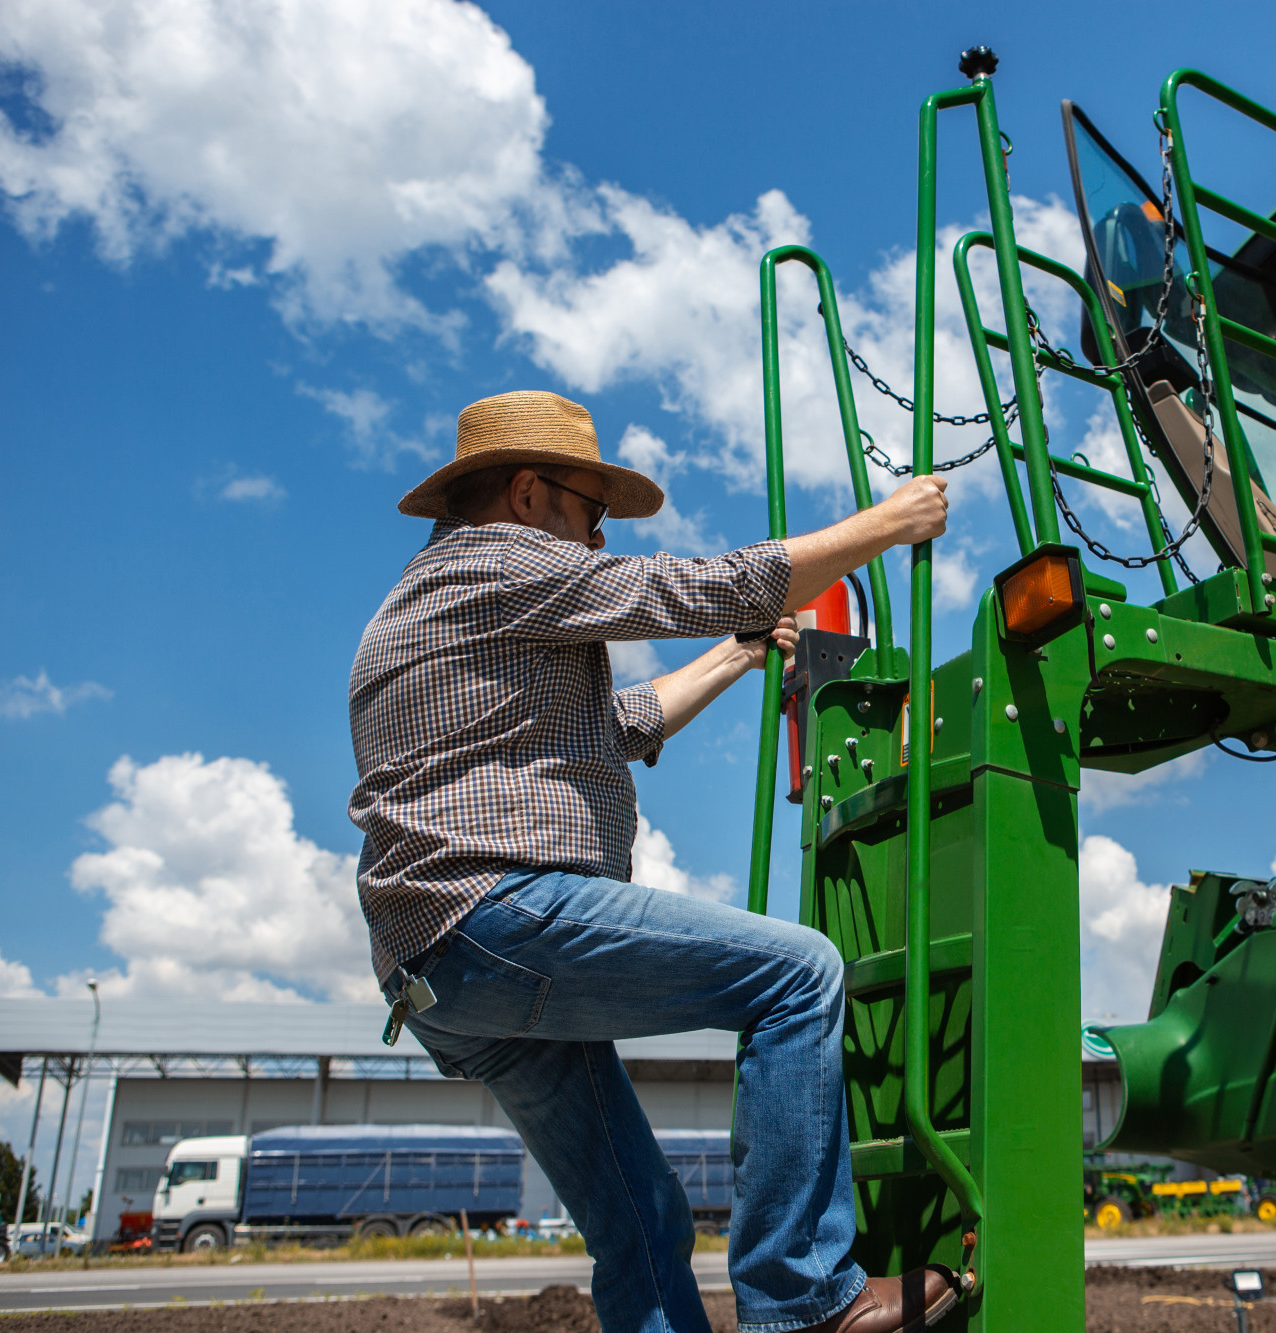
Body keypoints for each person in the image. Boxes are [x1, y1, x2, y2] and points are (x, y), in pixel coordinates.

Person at [347, 390, 955, 1333]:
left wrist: (736, 657)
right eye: (591, 513)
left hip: (443, 978)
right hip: (498, 914)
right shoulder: (500, 561)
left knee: (639, 1221)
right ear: (525, 492)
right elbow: (691, 585)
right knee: (799, 974)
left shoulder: (415, 606)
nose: (594, 540)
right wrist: (890, 521)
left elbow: (617, 724)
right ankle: (801, 1298)